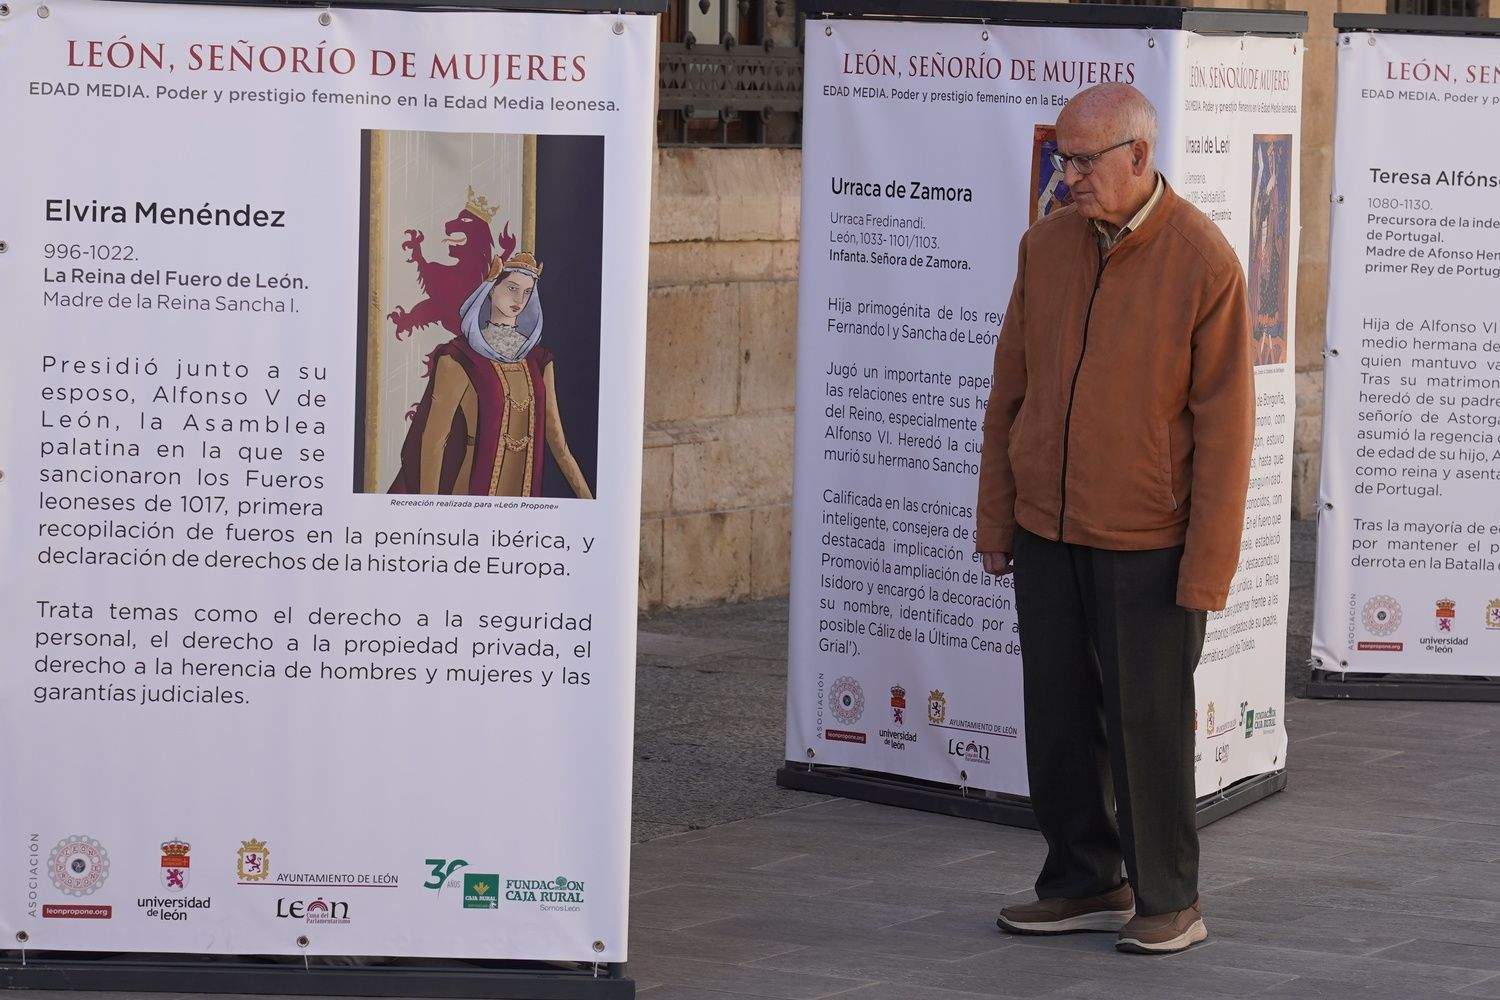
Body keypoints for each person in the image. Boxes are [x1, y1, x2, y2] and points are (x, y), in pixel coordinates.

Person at [975, 83, 1253, 955]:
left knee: (1148, 727)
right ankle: (1083, 878)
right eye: (1062, 160)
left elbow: (1227, 432)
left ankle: (1170, 899)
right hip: (1049, 530)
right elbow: (1007, 395)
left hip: (1150, 542)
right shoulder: (1046, 246)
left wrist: (1206, 569)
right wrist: (998, 519)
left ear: (1139, 156)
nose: (1069, 178)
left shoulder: (1204, 262)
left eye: (1085, 162)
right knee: (1055, 718)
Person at [390, 249, 594, 499]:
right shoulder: (458, 357)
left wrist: (589, 501)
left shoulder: (539, 361)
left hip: (524, 500)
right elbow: (434, 440)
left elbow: (558, 443)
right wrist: (431, 511)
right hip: (469, 496)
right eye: (511, 288)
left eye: (527, 291)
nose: (520, 298)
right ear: (492, 289)